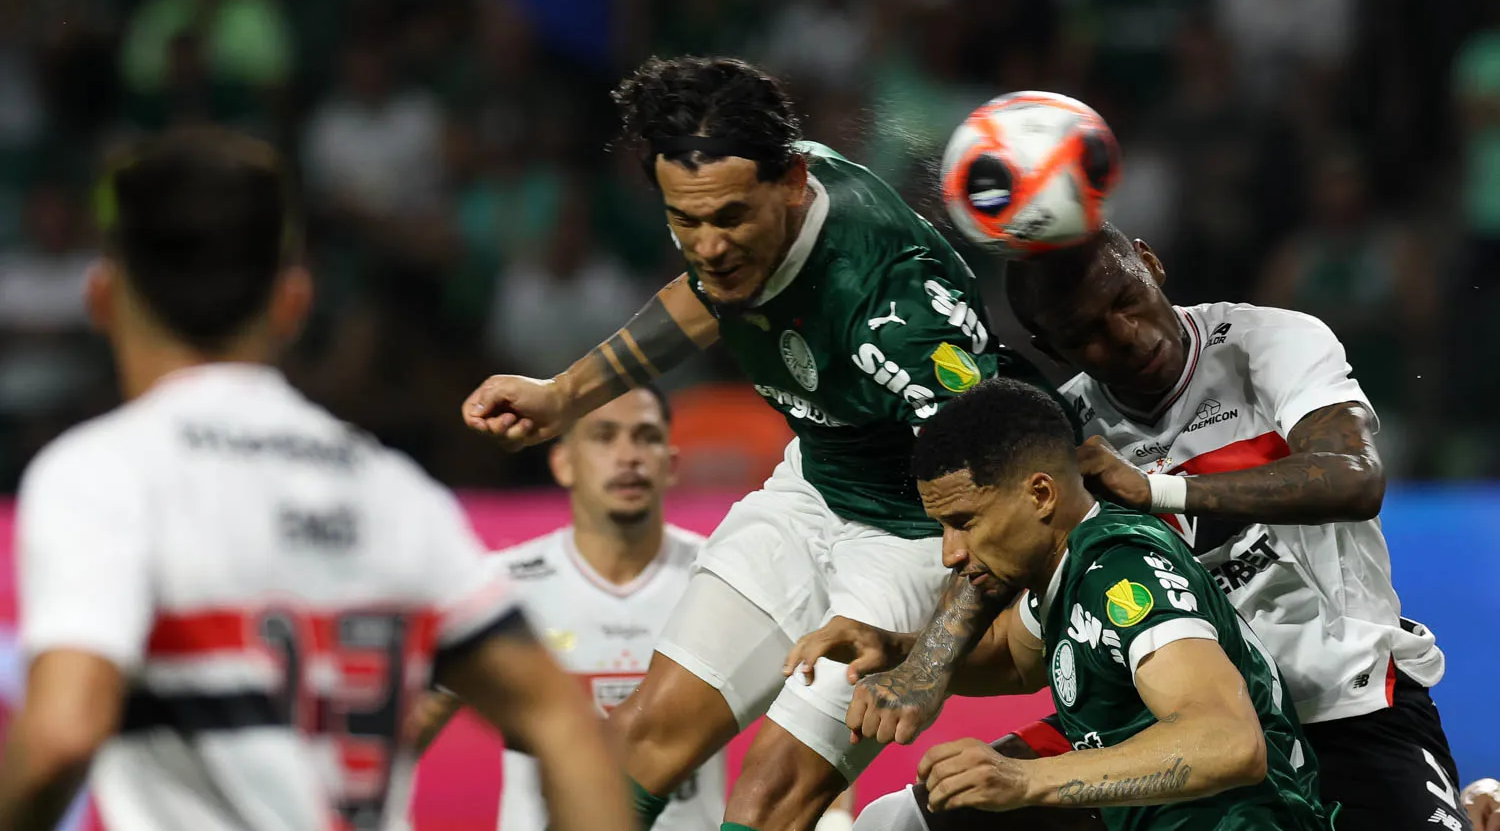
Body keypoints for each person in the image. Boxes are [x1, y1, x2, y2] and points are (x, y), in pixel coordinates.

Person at [461, 55, 1051, 831]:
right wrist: (563, 393)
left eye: (728, 219)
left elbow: (1006, 486)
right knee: (634, 745)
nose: (707, 246)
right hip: (813, 487)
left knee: (769, 797)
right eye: (686, 221)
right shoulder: (731, 199)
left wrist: (931, 658)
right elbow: (709, 297)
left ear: (795, 183)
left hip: (918, 537)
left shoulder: (896, 313)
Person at [0, 126, 631, 831]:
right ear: (293, 300)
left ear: (102, 296)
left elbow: (60, 734)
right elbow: (565, 727)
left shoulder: (103, 476)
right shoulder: (391, 491)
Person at [807, 222, 1465, 831]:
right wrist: (916, 659)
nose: (1125, 333)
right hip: (1163, 721)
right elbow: (1010, 613)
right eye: (1084, 331)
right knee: (911, 818)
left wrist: (1158, 490)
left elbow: (1355, 477)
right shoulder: (1060, 436)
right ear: (1047, 344)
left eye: (1127, 297)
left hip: (1343, 705)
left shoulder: (1266, 342)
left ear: (1149, 262)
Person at [861, 376, 1333, 829]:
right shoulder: (1066, 570)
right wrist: (894, 653)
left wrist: (1025, 779)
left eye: (964, 521)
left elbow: (1229, 742)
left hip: (1243, 824)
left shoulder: (1120, 572)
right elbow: (1013, 661)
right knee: (895, 821)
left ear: (1040, 494)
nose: (951, 553)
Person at [409, 385, 732, 831]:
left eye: (646, 436)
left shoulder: (724, 581)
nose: (628, 456)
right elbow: (407, 727)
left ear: (671, 463)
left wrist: (832, 816)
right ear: (562, 463)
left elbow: (811, 704)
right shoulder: (502, 585)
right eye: (604, 436)